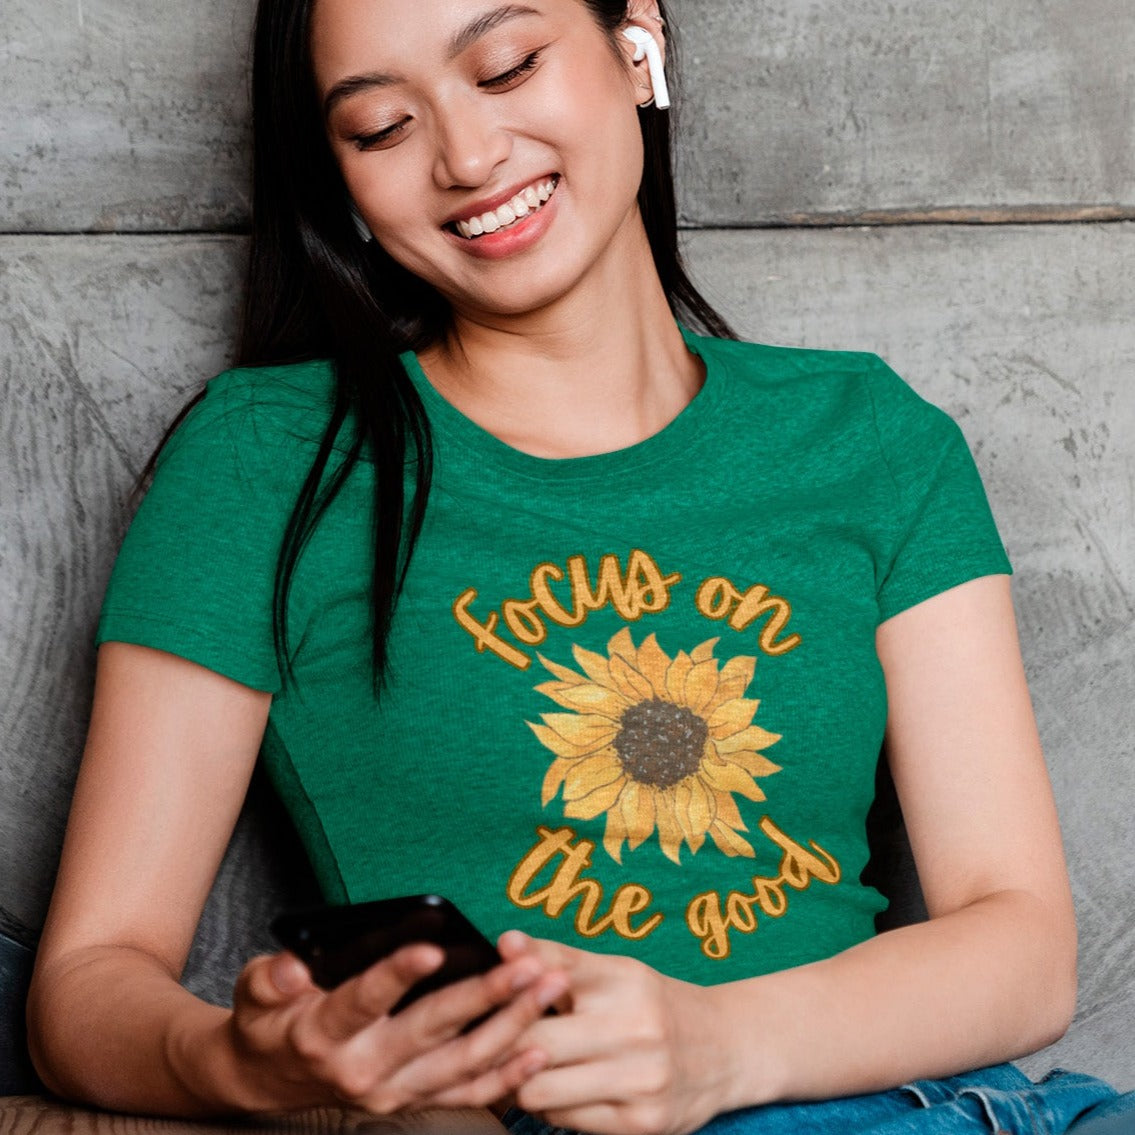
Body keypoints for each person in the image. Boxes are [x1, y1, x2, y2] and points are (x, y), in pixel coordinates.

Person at [25, 1, 1135, 1132]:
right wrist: (247, 1064)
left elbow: (1020, 944)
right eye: (382, 128)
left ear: (636, 41)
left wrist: (717, 1045)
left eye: (507, 67)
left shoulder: (872, 438)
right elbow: (87, 980)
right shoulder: (267, 458)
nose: (467, 158)